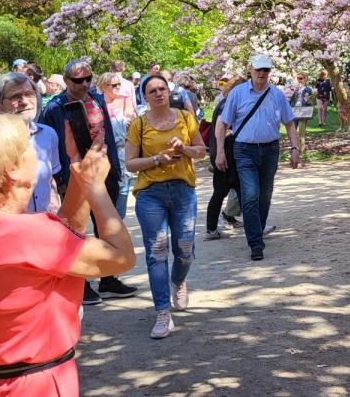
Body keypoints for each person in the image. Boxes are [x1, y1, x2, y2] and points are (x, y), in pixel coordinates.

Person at [0, 116, 135, 397]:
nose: (36, 150)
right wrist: (96, 188)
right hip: (35, 385)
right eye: (28, 146)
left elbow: (64, 237)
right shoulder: (30, 234)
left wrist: (79, 177)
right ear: (12, 171)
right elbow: (122, 258)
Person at [39, 59, 138, 305]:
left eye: (88, 78)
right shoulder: (55, 107)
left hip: (104, 171)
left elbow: (109, 134)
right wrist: (62, 179)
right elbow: (54, 147)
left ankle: (108, 278)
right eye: (77, 80)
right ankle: (81, 282)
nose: (84, 84)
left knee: (107, 223)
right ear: (66, 81)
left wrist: (115, 168)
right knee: (76, 228)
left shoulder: (96, 99)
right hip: (74, 176)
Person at [124, 74, 208, 338]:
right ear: (145, 96)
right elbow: (130, 164)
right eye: (152, 90)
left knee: (185, 250)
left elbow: (201, 151)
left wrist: (184, 148)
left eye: (162, 88)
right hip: (151, 194)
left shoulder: (185, 118)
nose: (159, 93)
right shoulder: (138, 125)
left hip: (183, 191)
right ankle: (162, 312)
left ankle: (179, 281)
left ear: (168, 91)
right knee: (157, 251)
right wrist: (157, 160)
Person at [214, 54, 301, 261]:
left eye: (266, 70)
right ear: (251, 69)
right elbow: (222, 123)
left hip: (270, 150)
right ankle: (255, 242)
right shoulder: (237, 94)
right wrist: (219, 152)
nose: (262, 74)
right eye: (258, 69)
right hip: (244, 150)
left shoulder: (277, 95)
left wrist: (295, 148)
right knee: (250, 194)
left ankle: (258, 229)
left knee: (264, 196)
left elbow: (289, 122)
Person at [0, 72, 61, 214]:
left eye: (30, 94)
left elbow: (50, 178)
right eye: (15, 97)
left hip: (45, 223)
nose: (25, 101)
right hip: (10, 228)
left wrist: (54, 206)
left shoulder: (48, 135)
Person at [205, 77, 245, 239]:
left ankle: (211, 229)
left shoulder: (225, 103)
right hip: (226, 154)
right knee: (241, 191)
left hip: (221, 153)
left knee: (223, 192)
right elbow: (221, 130)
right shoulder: (226, 106)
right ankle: (257, 226)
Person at [97, 72, 136, 218]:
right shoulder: (99, 102)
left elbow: (129, 118)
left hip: (122, 148)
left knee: (123, 185)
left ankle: (120, 217)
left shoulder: (125, 100)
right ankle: (107, 216)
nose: (118, 87)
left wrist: (112, 123)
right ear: (103, 86)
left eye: (119, 84)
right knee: (104, 184)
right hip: (103, 149)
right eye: (114, 85)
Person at [288, 72, 315, 153]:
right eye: (298, 78)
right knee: (292, 129)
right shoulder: (293, 88)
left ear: (305, 79)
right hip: (293, 109)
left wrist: (308, 100)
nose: (299, 80)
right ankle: (294, 147)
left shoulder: (308, 89)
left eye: (301, 78)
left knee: (302, 130)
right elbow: (288, 99)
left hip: (303, 111)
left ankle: (301, 148)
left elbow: (310, 103)